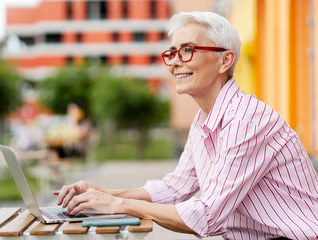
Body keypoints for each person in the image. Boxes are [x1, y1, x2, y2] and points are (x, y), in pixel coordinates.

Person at [53, 11, 318, 239]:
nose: (175, 62)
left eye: (188, 50)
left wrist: (117, 204)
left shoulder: (246, 119)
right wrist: (101, 194)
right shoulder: (204, 119)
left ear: (225, 60)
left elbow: (205, 217)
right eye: (172, 52)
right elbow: (176, 188)